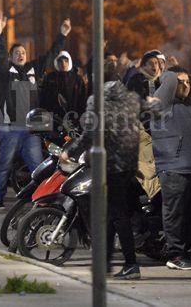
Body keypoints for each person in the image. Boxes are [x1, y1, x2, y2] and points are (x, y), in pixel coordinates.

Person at [63, 72, 142, 279]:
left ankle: (131, 264)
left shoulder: (97, 103)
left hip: (110, 166)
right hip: (128, 166)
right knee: (108, 215)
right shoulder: (129, 102)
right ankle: (104, 262)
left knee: (118, 215)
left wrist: (69, 152)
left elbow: (89, 135)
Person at [0, 15, 71, 208]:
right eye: (16, 52)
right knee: (4, 166)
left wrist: (62, 35)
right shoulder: (5, 71)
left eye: (23, 52)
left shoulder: (33, 69)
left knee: (37, 167)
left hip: (32, 129)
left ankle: (41, 202)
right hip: (10, 128)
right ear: (10, 57)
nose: (20, 55)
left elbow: (51, 55)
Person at [151, 66, 191, 270]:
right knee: (175, 214)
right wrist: (169, 74)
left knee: (189, 215)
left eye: (188, 82)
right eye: (181, 82)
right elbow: (168, 81)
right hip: (174, 168)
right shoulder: (162, 103)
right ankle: (175, 256)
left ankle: (185, 254)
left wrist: (184, 76)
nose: (186, 86)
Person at [40, 50, 87, 123]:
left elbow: (82, 101)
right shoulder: (50, 78)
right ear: (56, 62)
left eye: (66, 61)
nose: (63, 63)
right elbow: (44, 99)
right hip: (54, 120)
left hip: (74, 119)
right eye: (60, 61)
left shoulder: (77, 79)